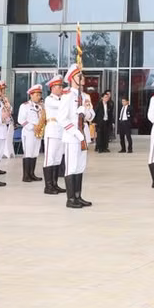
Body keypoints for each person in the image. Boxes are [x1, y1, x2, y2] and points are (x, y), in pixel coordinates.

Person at [58, 64, 95, 208]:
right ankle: (70, 199)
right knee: (71, 167)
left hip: (83, 134)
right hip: (72, 136)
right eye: (79, 76)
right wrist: (75, 132)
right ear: (72, 78)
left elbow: (92, 115)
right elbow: (62, 118)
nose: (83, 78)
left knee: (80, 166)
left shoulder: (85, 96)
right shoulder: (67, 95)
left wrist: (85, 111)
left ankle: (78, 196)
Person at [42, 75, 66, 194]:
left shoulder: (62, 99)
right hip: (52, 130)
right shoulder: (49, 99)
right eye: (59, 86)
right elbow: (62, 106)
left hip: (61, 131)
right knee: (49, 158)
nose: (61, 89)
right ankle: (48, 186)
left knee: (57, 159)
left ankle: (55, 184)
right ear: (52, 88)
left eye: (61, 86)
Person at [17, 84, 44, 183]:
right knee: (28, 153)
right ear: (31, 95)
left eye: (39, 95)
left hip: (38, 132)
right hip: (29, 132)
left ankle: (32, 174)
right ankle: (26, 175)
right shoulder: (25, 106)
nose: (39, 97)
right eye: (36, 95)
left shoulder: (40, 107)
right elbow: (21, 120)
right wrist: (33, 127)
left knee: (35, 152)